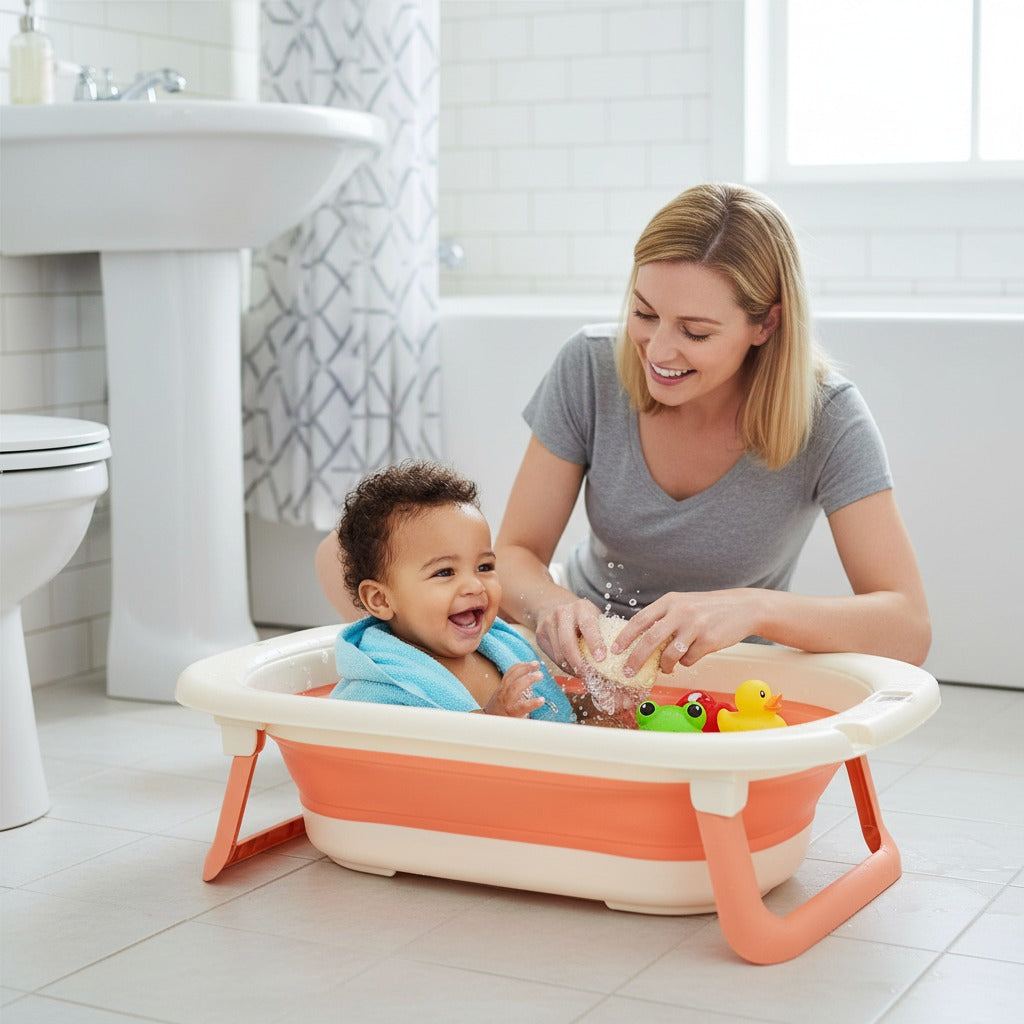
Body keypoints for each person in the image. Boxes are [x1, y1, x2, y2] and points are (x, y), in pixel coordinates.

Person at [491, 182, 931, 682]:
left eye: (694, 332)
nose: (657, 351)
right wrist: (552, 606)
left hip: (735, 677)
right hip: (590, 659)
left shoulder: (829, 417)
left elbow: (908, 627)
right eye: (644, 314)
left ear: (765, 325)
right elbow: (512, 554)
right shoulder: (590, 367)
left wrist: (753, 609)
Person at [327, 460, 575, 722]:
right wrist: (494, 718)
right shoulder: (379, 687)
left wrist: (598, 708)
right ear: (380, 599)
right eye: (444, 572)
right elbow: (426, 751)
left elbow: (558, 714)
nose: (475, 585)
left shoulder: (502, 649)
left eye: (484, 566)